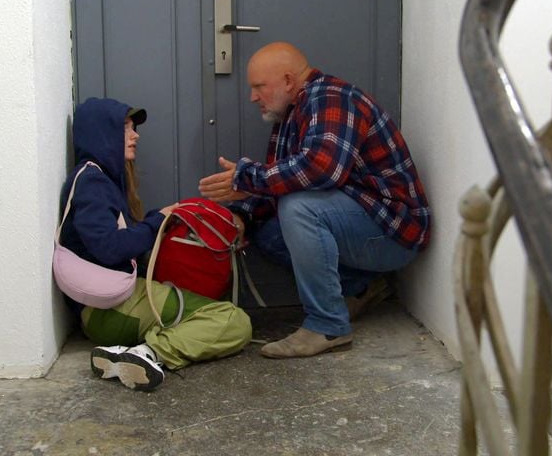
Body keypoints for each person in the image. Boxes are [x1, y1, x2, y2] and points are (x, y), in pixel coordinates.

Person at [198, 42, 431, 359]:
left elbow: (321, 170)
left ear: (288, 81)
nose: (253, 97)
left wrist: (246, 177)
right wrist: (241, 218)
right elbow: (281, 184)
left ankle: (327, 326)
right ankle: (359, 289)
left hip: (393, 234)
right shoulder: (291, 115)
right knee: (270, 231)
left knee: (298, 208)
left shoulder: (333, 99)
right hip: (363, 225)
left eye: (259, 87)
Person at [58, 97, 252, 391]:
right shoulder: (93, 183)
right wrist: (155, 222)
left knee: (204, 309)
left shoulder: (99, 179)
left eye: (133, 127)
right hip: (109, 311)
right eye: (125, 127)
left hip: (107, 309)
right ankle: (149, 353)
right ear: (102, 131)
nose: (135, 135)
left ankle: (133, 352)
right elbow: (108, 248)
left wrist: (158, 220)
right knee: (233, 321)